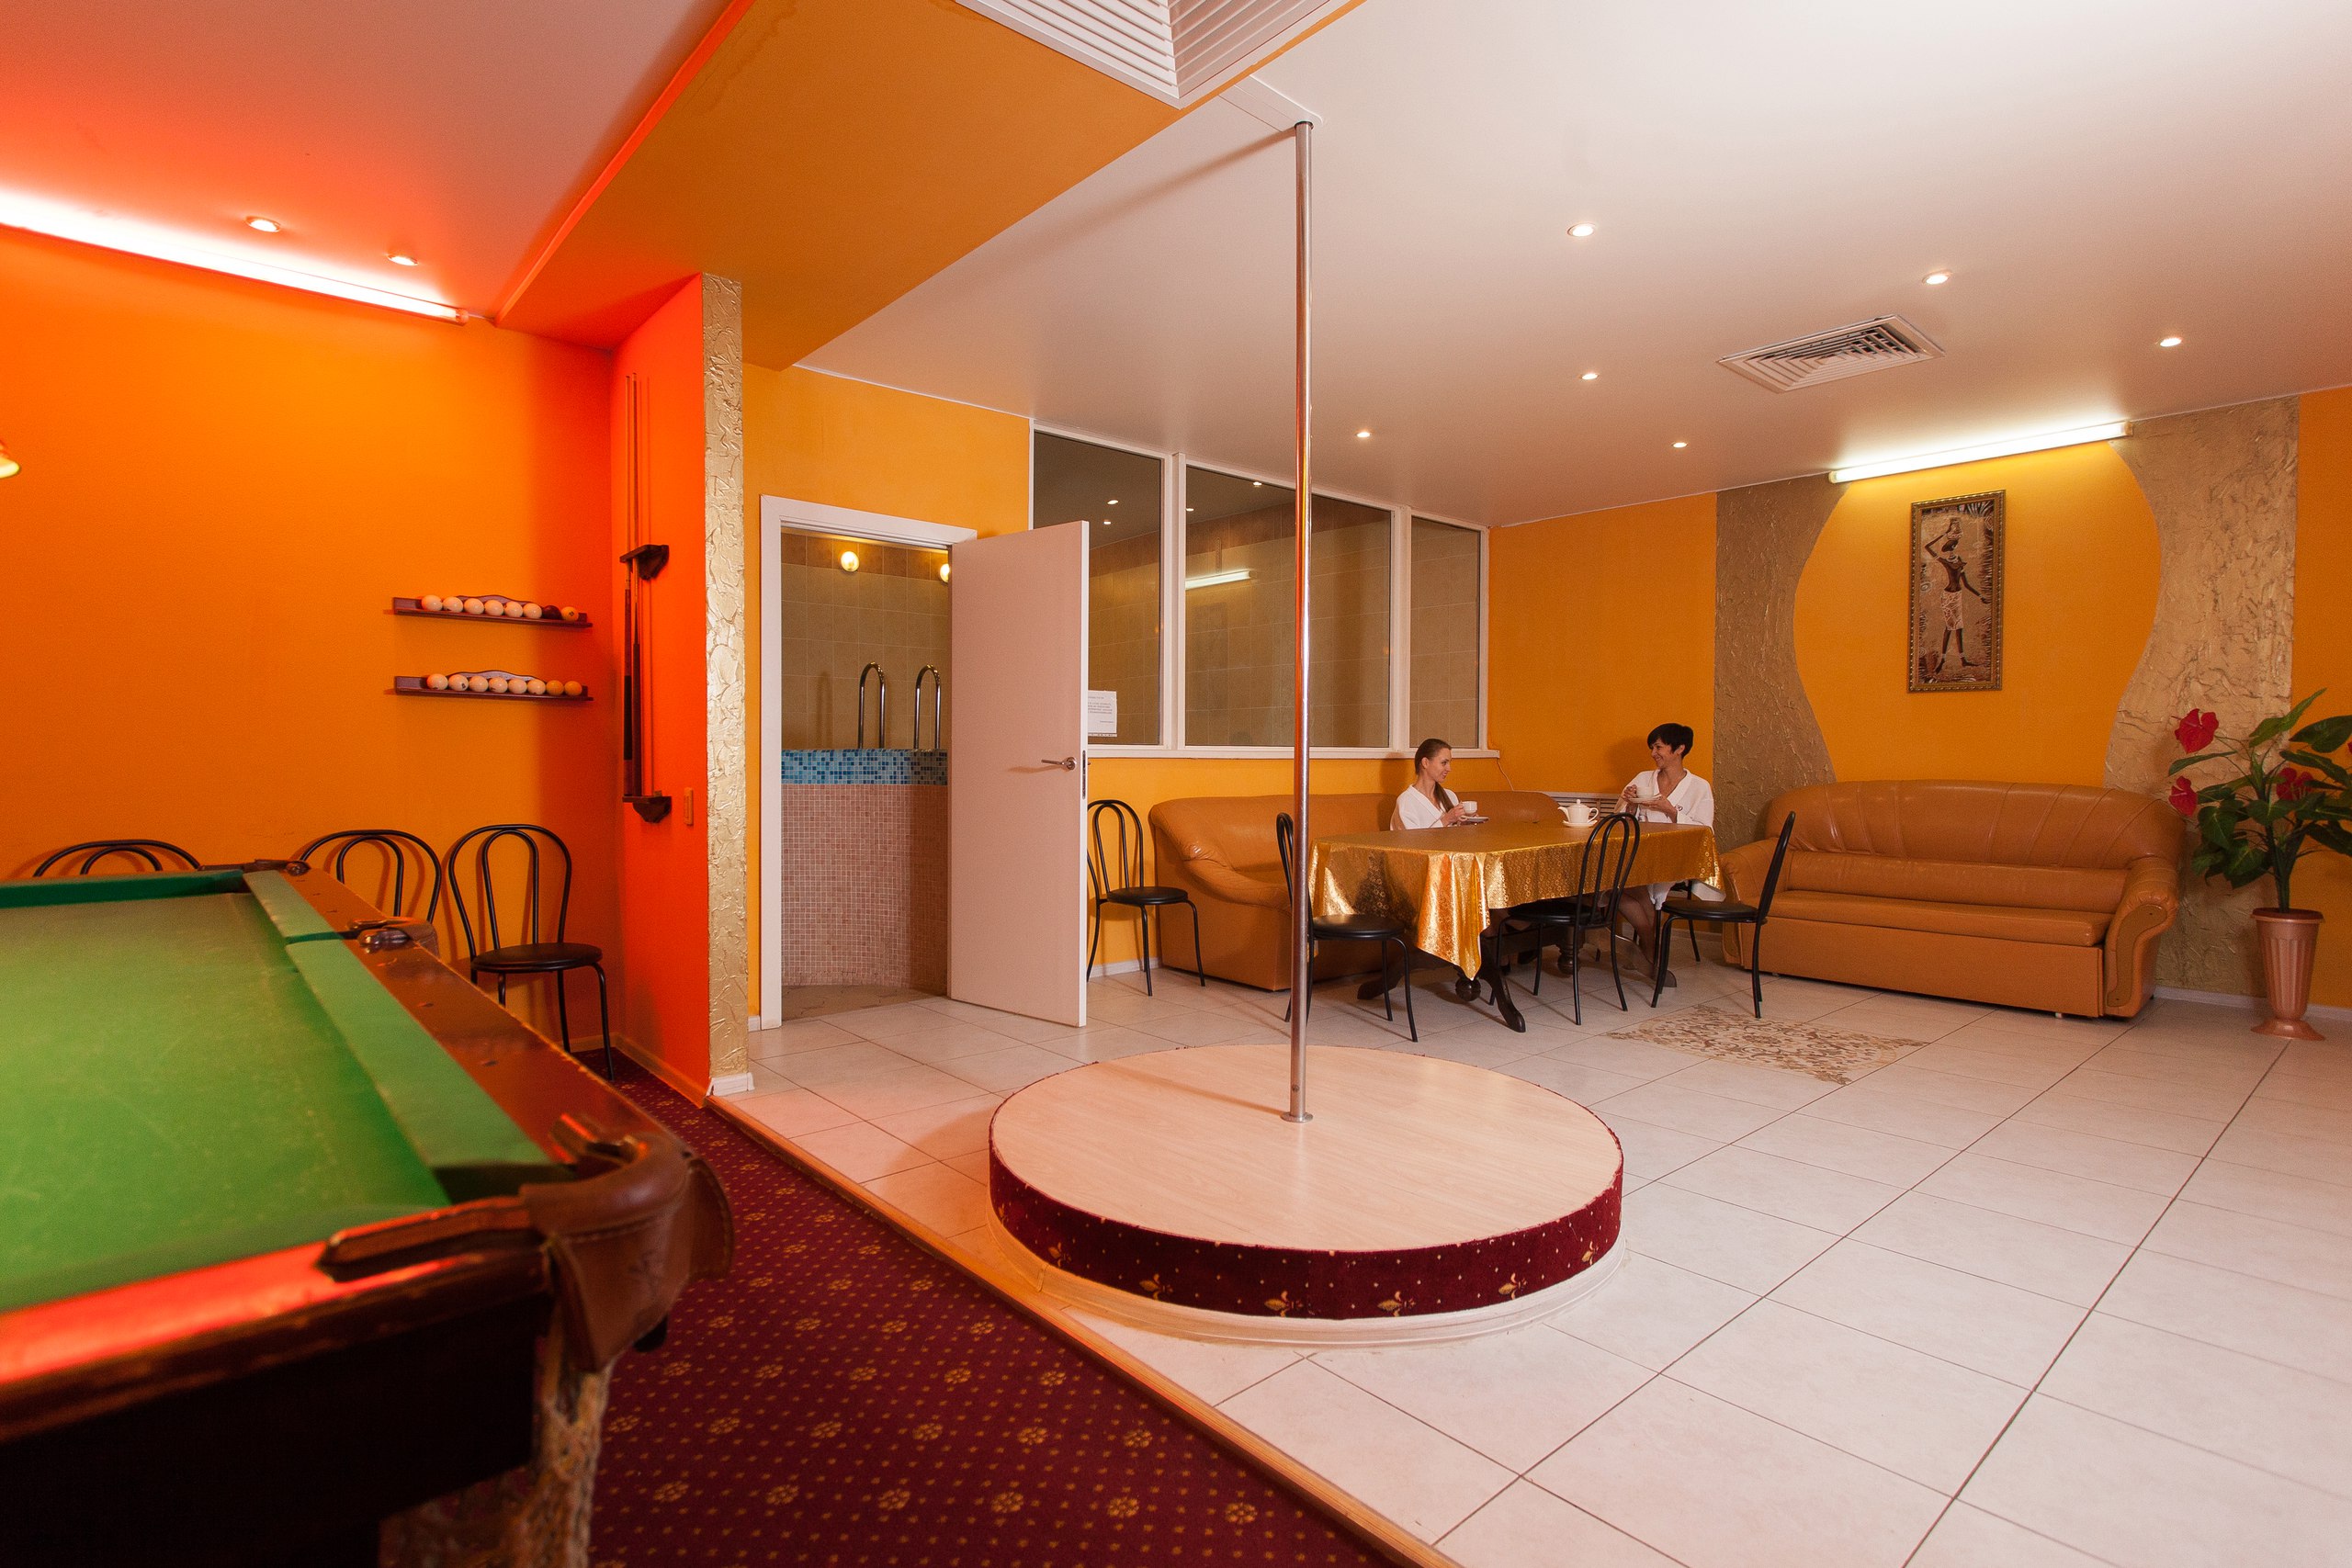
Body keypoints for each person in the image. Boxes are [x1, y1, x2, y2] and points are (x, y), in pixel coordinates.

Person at [1614, 723, 1716, 974]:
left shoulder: (1699, 787)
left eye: (1659, 747)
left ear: (1679, 748)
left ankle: (1648, 948)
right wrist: (1629, 804)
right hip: (1639, 853)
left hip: (1676, 857)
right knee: (1615, 884)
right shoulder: (1642, 779)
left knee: (1625, 881)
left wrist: (1672, 811)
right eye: (1652, 747)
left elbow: (1705, 831)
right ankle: (1652, 945)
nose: (1653, 753)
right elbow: (1621, 821)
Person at [1394, 738, 1469, 829]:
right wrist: (1446, 820)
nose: (1449, 768)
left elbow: (1457, 834)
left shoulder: (1450, 796)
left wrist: (1467, 822)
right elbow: (1413, 838)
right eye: (1444, 763)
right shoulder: (1406, 802)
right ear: (1425, 763)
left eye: (1449, 763)